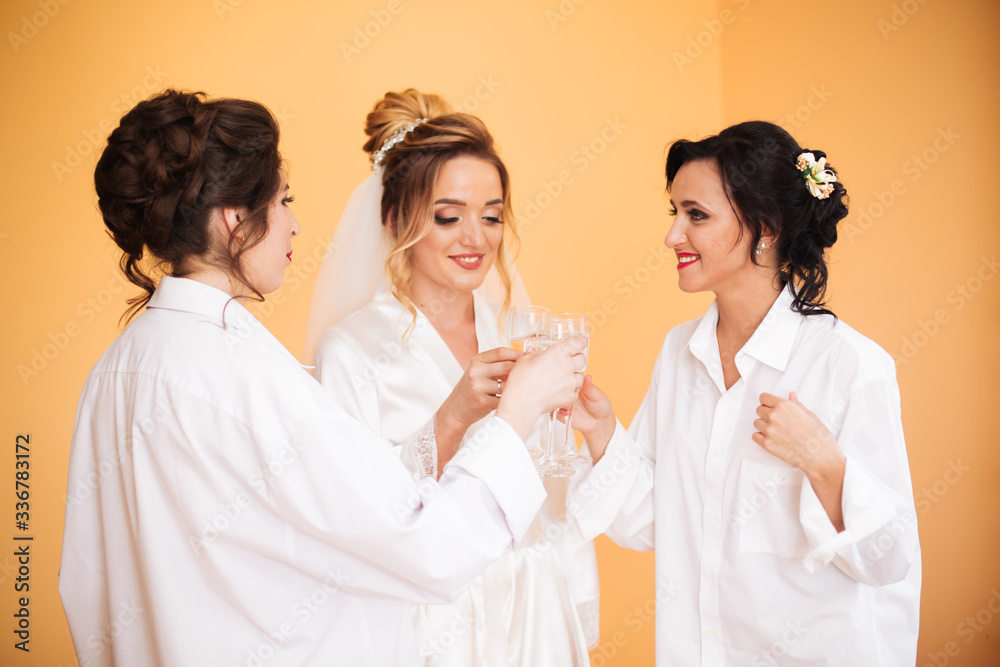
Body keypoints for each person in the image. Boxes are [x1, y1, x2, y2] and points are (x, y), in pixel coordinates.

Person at [58, 89, 588, 667]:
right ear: (236, 219)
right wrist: (515, 415)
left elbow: (86, 585)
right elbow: (419, 545)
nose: (296, 225)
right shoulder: (249, 379)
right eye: (283, 200)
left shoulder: (112, 374)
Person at [569, 121, 921, 665]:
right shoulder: (679, 352)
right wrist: (598, 429)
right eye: (675, 213)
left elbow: (888, 560)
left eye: (697, 215)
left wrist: (823, 462)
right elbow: (651, 521)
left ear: (767, 227)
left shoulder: (849, 365)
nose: (672, 236)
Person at [304, 89, 600, 666]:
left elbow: (553, 495)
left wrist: (583, 433)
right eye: (449, 216)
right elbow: (353, 513)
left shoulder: (516, 337)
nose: (476, 238)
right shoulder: (353, 351)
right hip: (433, 624)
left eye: (492, 216)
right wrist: (452, 416)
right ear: (394, 220)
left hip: (533, 615)